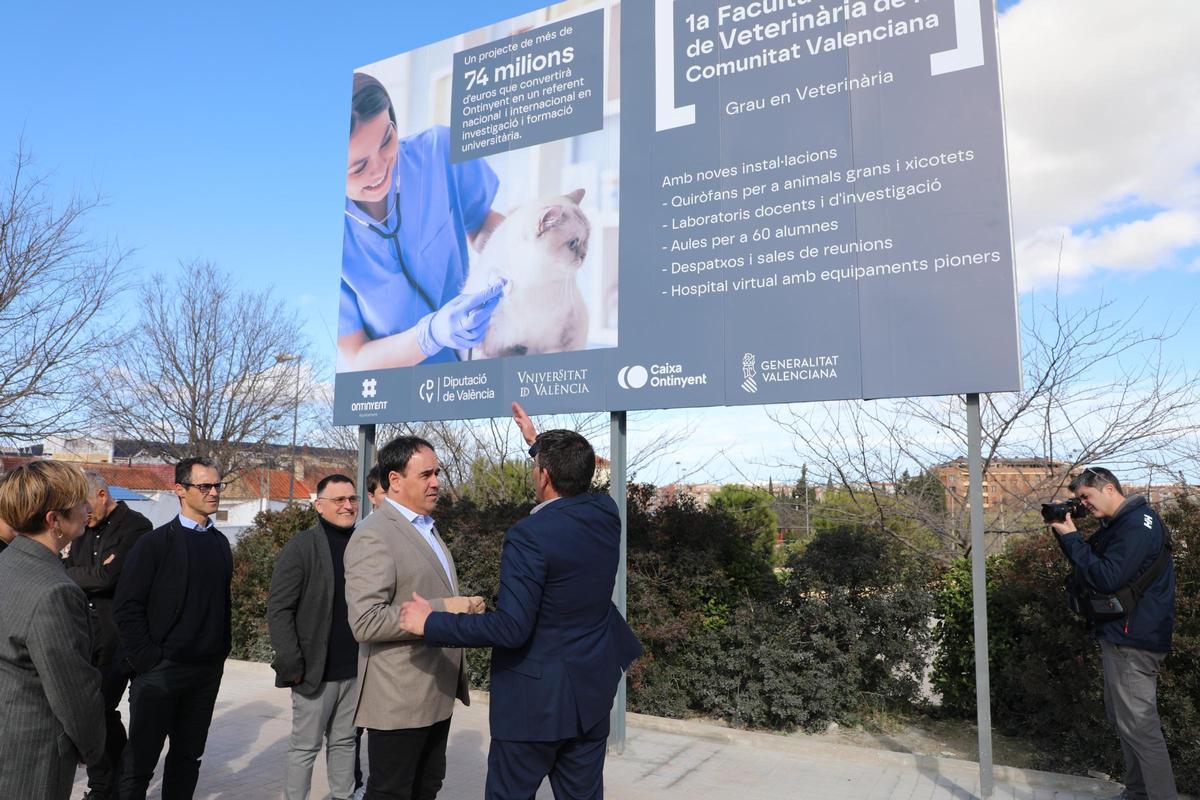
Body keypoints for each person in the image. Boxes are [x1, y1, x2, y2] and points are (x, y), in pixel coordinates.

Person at [400, 403, 642, 800]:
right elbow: (575, 482)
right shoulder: (607, 513)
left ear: (544, 475)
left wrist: (431, 622)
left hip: (535, 708)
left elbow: (512, 628)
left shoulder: (530, 535)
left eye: (537, 467)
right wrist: (536, 443)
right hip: (592, 699)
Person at [344, 436, 484, 800]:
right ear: (394, 480)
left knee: (427, 787)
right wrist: (445, 609)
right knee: (391, 792)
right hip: (399, 698)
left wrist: (464, 612)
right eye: (426, 474)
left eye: (437, 472)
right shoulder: (374, 535)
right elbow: (365, 621)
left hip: (435, 691)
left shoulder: (427, 527)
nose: (436, 481)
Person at [338, 72, 507, 371]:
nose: (379, 171)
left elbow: (483, 227)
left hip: (474, 373)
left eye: (387, 140)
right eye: (358, 167)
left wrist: (526, 243)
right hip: (400, 397)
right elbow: (356, 356)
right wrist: (431, 335)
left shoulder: (440, 151)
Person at [1051, 467, 1177, 800]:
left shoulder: (1136, 526)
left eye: (1086, 497)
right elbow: (1088, 565)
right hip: (1127, 636)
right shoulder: (1125, 523)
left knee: (1140, 727)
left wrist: (1071, 537)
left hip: (1132, 639)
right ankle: (1137, 792)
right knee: (1128, 725)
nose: (1083, 505)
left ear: (1109, 489)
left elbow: (1105, 578)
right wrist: (1066, 533)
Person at [113, 457, 233, 800]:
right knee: (139, 764)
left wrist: (219, 653)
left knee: (187, 759)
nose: (214, 493)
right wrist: (148, 660)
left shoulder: (220, 544)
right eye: (204, 486)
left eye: (217, 486)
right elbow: (127, 605)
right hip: (161, 672)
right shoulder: (154, 544)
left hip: (205, 673)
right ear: (180, 490)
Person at [0, 461, 105, 800]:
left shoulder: (7, 562)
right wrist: (93, 748)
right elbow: (74, 690)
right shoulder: (55, 590)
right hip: (31, 753)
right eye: (79, 503)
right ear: (54, 520)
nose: (87, 508)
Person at [267, 473, 364, 800]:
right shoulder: (302, 547)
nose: (348, 506)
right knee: (305, 748)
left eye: (352, 499)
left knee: (345, 743)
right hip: (313, 672)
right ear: (319, 506)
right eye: (339, 500)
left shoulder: (363, 544)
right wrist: (292, 662)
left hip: (356, 669)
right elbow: (279, 608)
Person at [62, 471, 154, 800]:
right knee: (94, 712)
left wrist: (67, 571)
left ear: (102, 495)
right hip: (86, 636)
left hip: (119, 640)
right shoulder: (84, 531)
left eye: (86, 506)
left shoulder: (137, 527)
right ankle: (112, 782)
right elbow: (76, 571)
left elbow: (105, 577)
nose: (83, 515)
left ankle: (109, 786)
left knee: (99, 710)